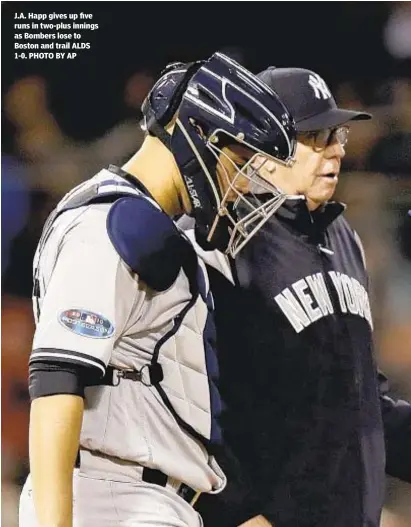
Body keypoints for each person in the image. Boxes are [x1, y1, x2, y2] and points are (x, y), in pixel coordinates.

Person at [18, 53, 298, 527]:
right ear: (200, 139)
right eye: (240, 161)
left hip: (151, 499)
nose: (241, 185)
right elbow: (55, 384)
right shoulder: (107, 225)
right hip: (110, 496)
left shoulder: (160, 233)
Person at [184, 67, 411, 527]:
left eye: (337, 134)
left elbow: (361, 395)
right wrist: (239, 512)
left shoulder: (344, 236)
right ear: (265, 146)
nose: (336, 150)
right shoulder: (219, 239)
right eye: (315, 137)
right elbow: (195, 396)